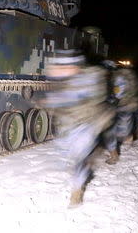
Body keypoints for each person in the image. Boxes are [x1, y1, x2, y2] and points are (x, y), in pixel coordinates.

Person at [42, 49, 115, 208]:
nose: (61, 71)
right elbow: (60, 98)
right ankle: (84, 163)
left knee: (79, 158)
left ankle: (76, 191)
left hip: (86, 124)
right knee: (68, 151)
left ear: (76, 66)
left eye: (65, 67)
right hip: (69, 125)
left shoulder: (89, 79)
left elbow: (94, 101)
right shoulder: (64, 80)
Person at [101, 61, 138, 165]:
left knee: (110, 131)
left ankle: (114, 155)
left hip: (122, 107)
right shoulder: (117, 76)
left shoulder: (117, 78)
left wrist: (106, 102)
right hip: (127, 106)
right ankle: (125, 139)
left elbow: (117, 94)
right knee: (120, 129)